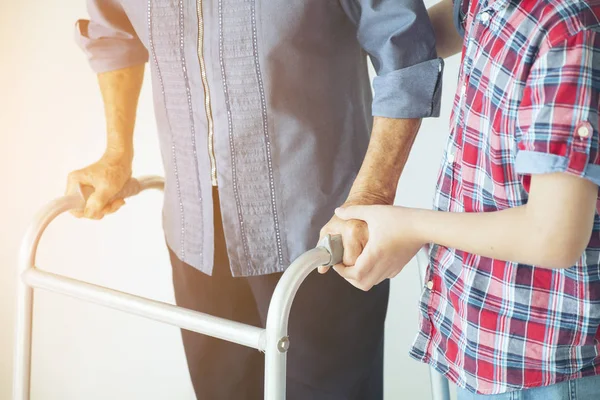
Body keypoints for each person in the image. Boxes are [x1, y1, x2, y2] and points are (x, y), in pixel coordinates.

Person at [67, 1, 443, 399]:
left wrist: (372, 195)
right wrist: (116, 154)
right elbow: (114, 32)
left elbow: (402, 43)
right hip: (193, 234)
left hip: (321, 237)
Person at [327, 0, 600, 398]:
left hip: (539, 360)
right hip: (475, 340)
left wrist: (409, 226)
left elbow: (553, 236)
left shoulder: (568, 29)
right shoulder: (488, 4)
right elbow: (420, 37)